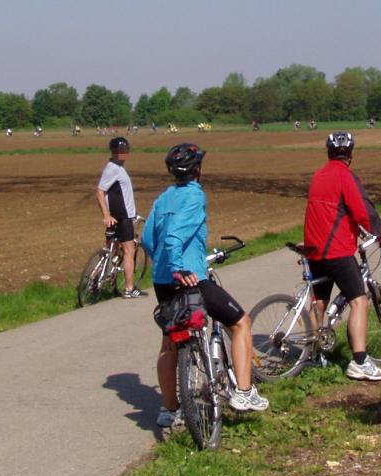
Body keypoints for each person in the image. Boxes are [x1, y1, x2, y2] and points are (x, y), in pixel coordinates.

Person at [143, 143, 269, 427]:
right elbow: (175, 236)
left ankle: (169, 409)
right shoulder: (194, 196)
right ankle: (244, 392)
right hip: (189, 277)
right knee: (240, 323)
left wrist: (163, 264)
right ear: (198, 169)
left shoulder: (163, 198)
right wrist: (179, 267)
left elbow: (148, 240)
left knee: (169, 343)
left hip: (162, 280)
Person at [303, 132, 381, 381]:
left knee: (319, 303)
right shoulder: (346, 176)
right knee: (359, 301)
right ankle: (360, 361)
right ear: (351, 155)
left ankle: (313, 356)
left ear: (328, 153)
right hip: (337, 251)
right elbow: (363, 211)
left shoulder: (318, 175)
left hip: (314, 250)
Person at [95, 137, 145, 299]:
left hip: (122, 216)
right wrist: (106, 214)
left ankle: (109, 280)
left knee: (116, 250)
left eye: (124, 151)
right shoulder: (113, 169)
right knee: (129, 251)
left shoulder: (116, 168)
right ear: (113, 152)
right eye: (119, 151)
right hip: (122, 218)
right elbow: (100, 192)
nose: (122, 154)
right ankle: (130, 288)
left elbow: (121, 195)